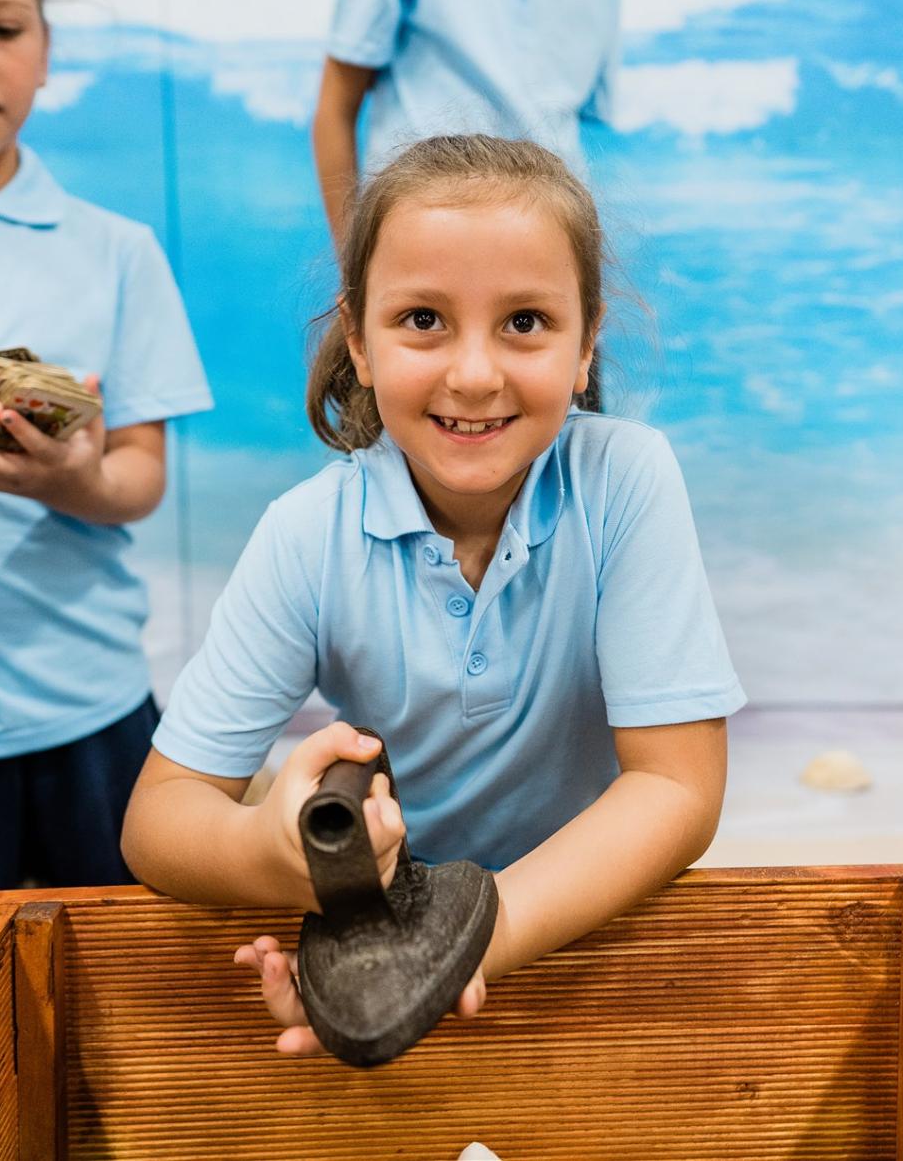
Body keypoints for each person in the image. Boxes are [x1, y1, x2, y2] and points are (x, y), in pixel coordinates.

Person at [122, 133, 745, 1054]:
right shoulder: (306, 535)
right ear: (360, 341)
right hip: (390, 945)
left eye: (525, 322)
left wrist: (465, 945)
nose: (475, 373)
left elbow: (677, 789)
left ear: (586, 345)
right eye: (423, 319)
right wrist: (268, 856)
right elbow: (157, 819)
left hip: (584, 933)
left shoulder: (625, 480)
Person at [0, 0, 212, 900]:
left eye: (2, 26)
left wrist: (67, 477)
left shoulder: (117, 253)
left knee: (113, 1027)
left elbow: (139, 478)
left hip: (87, 710)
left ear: (45, 47)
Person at [313, 0, 626, 250]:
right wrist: (357, 272)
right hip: (422, 240)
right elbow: (336, 106)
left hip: (549, 249)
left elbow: (567, 130)